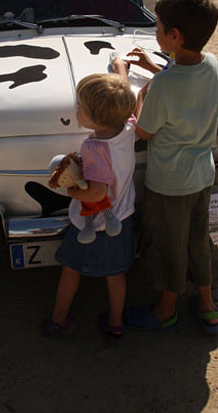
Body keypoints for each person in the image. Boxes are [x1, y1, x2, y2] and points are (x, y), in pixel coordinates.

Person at [124, 0, 218, 336]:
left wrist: (139, 92)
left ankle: (166, 310)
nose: (156, 31)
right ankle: (208, 306)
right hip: (201, 176)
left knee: (169, 245)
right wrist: (156, 67)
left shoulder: (162, 86)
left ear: (174, 36)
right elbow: (185, 79)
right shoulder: (211, 64)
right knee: (198, 240)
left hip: (170, 184)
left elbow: (145, 131)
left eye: (159, 27)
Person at [41, 73, 137, 339]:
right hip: (122, 217)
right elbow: (126, 108)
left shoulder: (94, 147)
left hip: (93, 224)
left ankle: (59, 319)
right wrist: (121, 73)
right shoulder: (128, 128)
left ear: (96, 118)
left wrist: (71, 190)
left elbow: (96, 193)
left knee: (71, 270)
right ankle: (116, 322)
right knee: (115, 275)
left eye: (80, 108)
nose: (77, 110)